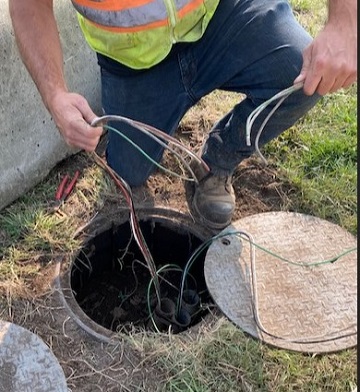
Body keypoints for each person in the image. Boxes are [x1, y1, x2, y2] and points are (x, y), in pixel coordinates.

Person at [9, 0, 357, 229]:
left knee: (297, 71)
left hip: (224, 16)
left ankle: (215, 162)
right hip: (134, 63)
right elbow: (28, 5)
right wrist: (55, 96)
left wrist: (344, 21)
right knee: (128, 174)